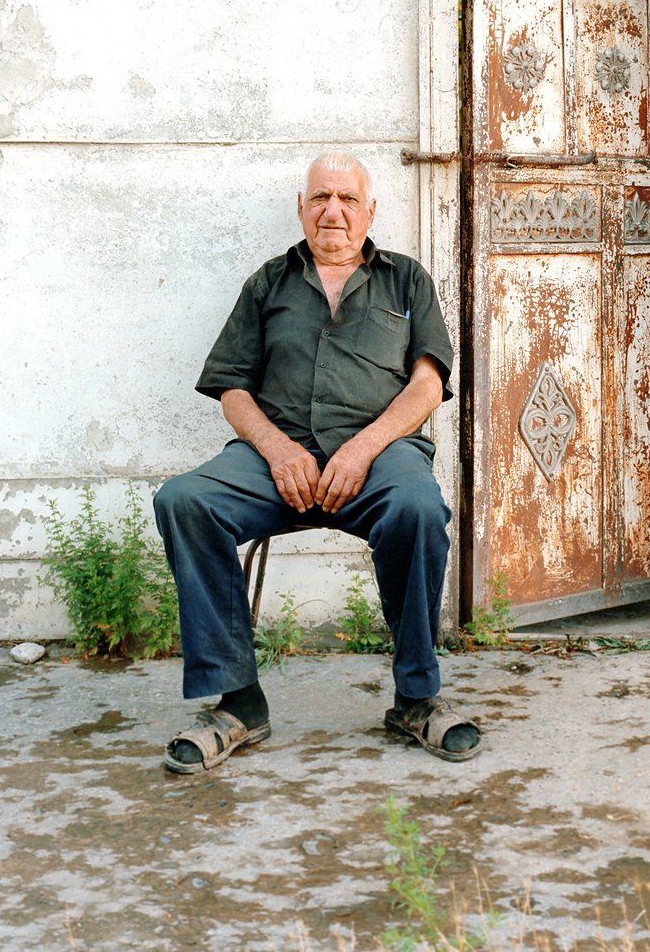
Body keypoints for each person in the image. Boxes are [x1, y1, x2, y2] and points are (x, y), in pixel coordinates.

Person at [154, 151, 480, 772]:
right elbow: (232, 387)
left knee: (417, 507)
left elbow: (426, 384)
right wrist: (277, 450)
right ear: (302, 209)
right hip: (281, 460)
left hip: (381, 455)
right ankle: (239, 705)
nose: (334, 211)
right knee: (185, 501)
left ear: (370, 210)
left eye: (348, 199)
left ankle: (417, 697)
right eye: (320, 199)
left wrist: (362, 449)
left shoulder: (406, 279)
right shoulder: (268, 283)